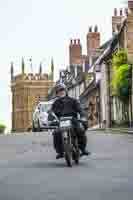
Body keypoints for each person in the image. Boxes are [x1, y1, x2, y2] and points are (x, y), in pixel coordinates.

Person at [49, 83, 90, 159]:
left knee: (80, 130)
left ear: (65, 91)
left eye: (62, 90)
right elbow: (51, 113)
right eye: (58, 91)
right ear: (56, 93)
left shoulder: (73, 100)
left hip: (73, 121)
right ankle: (60, 151)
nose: (61, 92)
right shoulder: (55, 103)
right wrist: (51, 119)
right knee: (56, 133)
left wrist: (83, 116)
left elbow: (80, 110)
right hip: (61, 122)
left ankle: (83, 149)